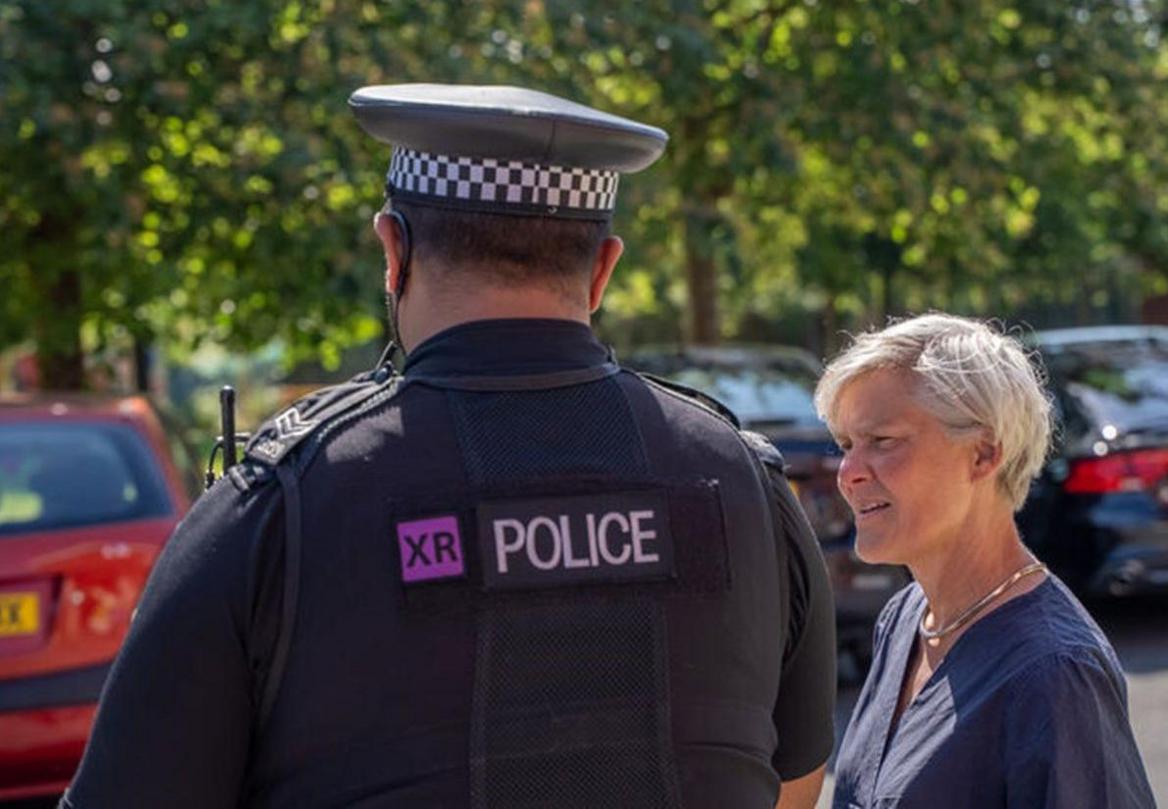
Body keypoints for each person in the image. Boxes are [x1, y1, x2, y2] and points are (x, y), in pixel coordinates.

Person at [62, 84, 835, 809]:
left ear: (393, 251)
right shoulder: (745, 486)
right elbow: (796, 786)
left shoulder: (277, 506)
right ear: (603, 271)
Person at [820, 314, 1154, 808]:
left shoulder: (1054, 673)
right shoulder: (906, 618)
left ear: (983, 454)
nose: (848, 472)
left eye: (882, 441)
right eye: (847, 445)